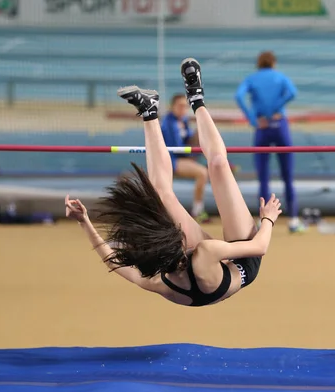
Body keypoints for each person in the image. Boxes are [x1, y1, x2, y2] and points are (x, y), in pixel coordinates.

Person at [65, 58, 282, 307]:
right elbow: (259, 246)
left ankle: (149, 111)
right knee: (219, 166)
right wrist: (268, 218)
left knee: (162, 195)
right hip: (245, 258)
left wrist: (85, 222)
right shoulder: (204, 252)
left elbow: (114, 261)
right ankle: (197, 98)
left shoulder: (159, 279)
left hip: (207, 268)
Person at [235, 51, 305, 233]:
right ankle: (294, 220)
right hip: (279, 124)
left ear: (258, 63)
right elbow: (293, 93)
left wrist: (253, 118)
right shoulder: (280, 77)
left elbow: (238, 96)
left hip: (262, 127)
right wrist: (276, 107)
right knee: (287, 175)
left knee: (263, 177)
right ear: (273, 63)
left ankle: (262, 222)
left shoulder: (252, 78)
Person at [161, 94, 210, 223]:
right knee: (202, 173)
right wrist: (190, 155)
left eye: (185, 106)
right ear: (173, 107)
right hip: (171, 160)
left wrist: (199, 134)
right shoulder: (168, 123)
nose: (183, 109)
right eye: (180, 106)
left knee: (204, 171)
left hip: (181, 157)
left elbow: (189, 139)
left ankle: (198, 209)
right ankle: (197, 211)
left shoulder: (184, 121)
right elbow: (176, 147)